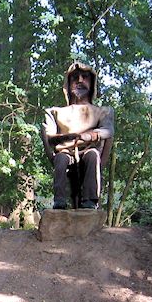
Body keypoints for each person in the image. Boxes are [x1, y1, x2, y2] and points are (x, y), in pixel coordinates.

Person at [40, 62, 114, 209]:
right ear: (68, 84)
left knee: (92, 155)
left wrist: (91, 136)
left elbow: (108, 131)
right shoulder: (55, 112)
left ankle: (90, 202)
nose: (80, 80)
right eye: (75, 78)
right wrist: (70, 138)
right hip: (65, 152)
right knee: (61, 159)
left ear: (92, 83)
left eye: (85, 77)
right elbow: (49, 137)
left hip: (89, 151)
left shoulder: (103, 111)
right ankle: (59, 202)